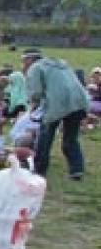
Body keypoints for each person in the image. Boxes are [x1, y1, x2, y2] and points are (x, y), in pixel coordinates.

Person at [23, 48, 88, 179]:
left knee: (45, 138)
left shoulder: (35, 68)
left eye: (24, 60)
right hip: (79, 102)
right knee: (70, 139)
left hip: (57, 103)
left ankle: (39, 171)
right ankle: (77, 170)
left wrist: (33, 105)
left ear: (30, 59)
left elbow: (36, 92)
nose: (23, 64)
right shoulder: (61, 64)